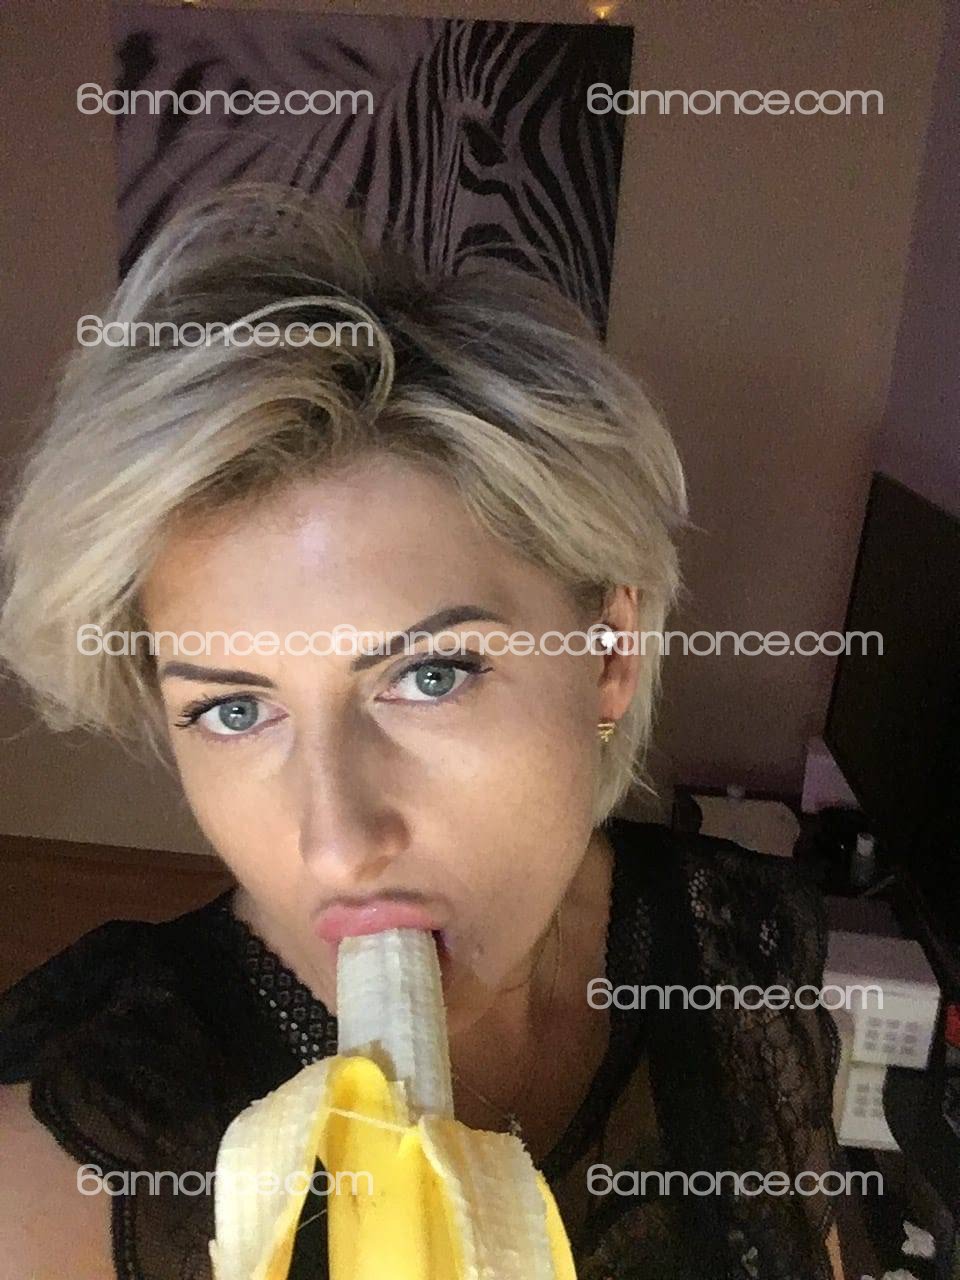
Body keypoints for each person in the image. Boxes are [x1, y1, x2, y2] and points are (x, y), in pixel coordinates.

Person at [0, 184, 844, 1279]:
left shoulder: (738, 952)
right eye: (234, 709)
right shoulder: (67, 1169)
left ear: (608, 655)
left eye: (430, 674)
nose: (339, 844)